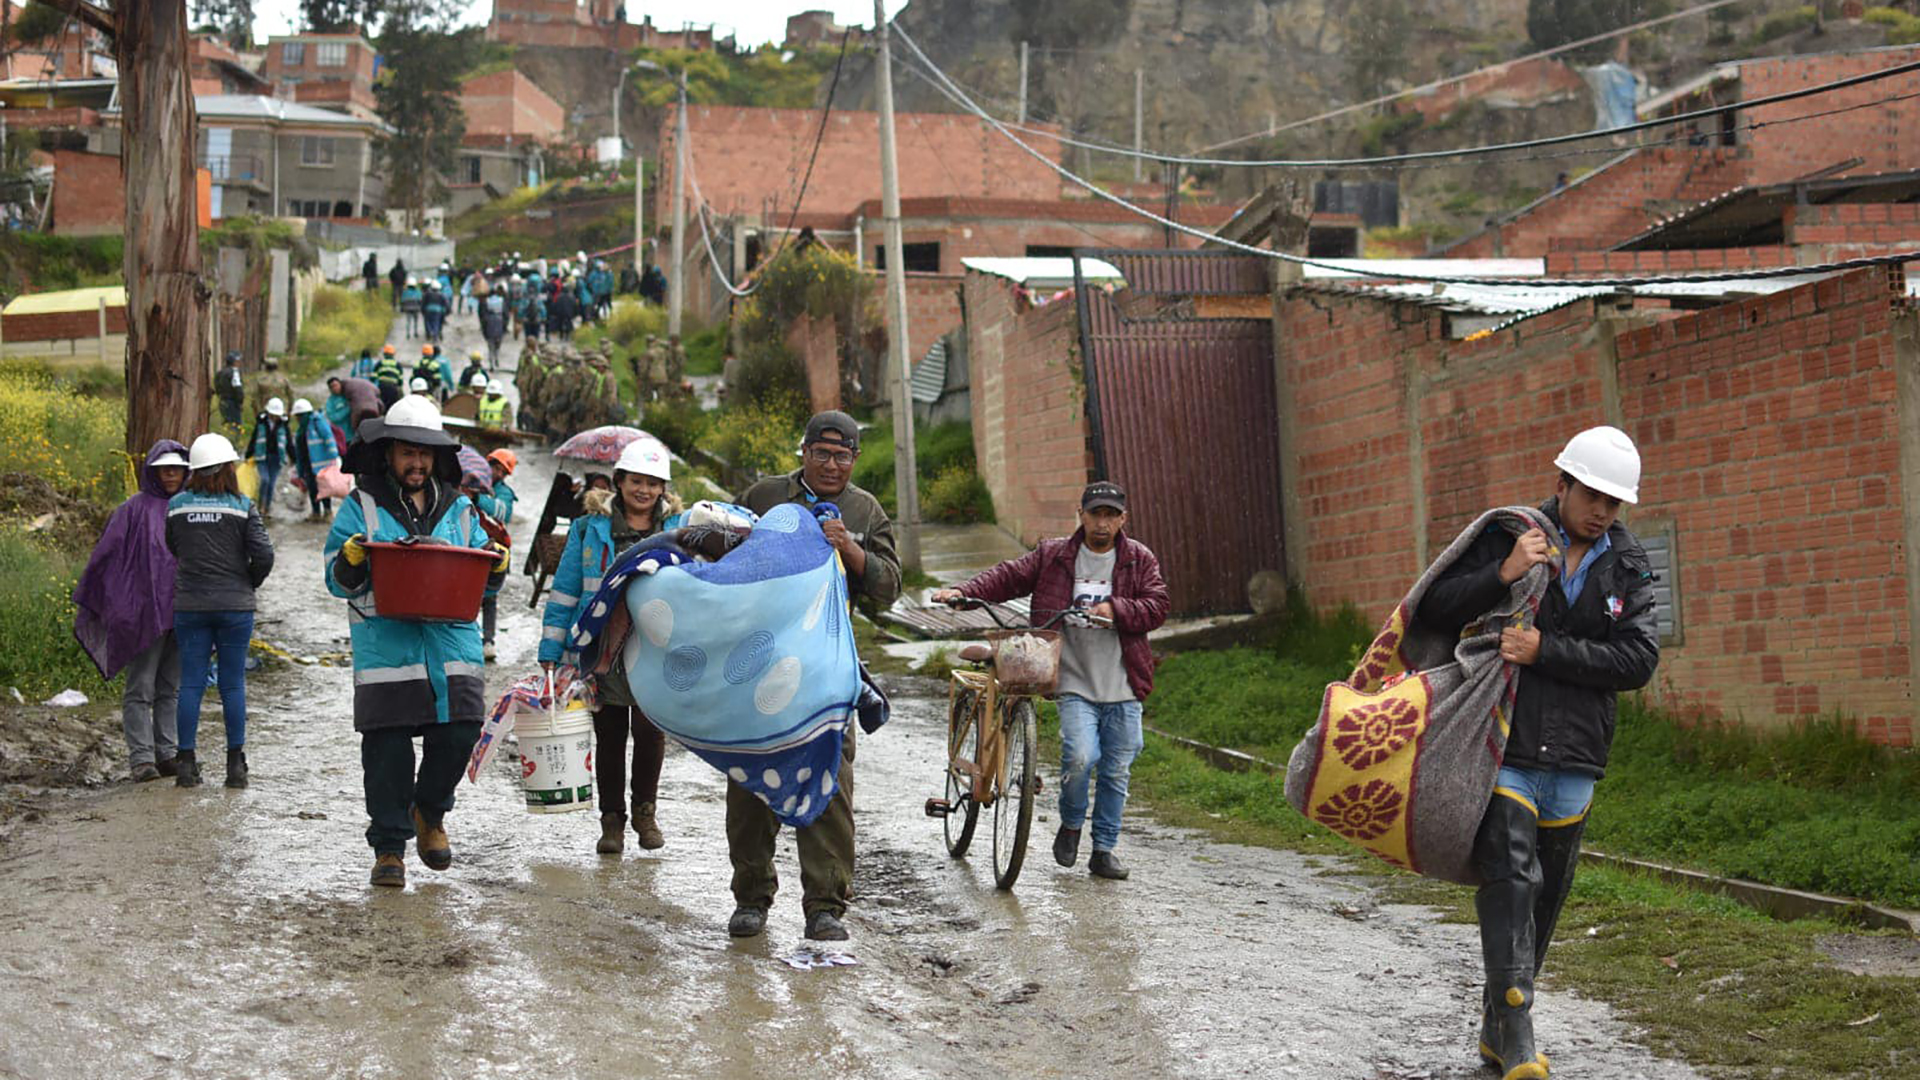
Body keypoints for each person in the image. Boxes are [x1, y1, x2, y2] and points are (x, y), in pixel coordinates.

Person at [1413, 426, 1659, 1080]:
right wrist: (1503, 572)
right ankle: (1519, 1031)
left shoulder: (1628, 565)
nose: (1602, 509)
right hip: (1505, 738)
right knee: (1512, 878)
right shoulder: (1513, 533)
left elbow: (1638, 660)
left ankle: (1498, 1024)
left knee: (1546, 895)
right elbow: (1433, 605)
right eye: (1592, 493)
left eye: (1614, 500)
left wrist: (1545, 650)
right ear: (1563, 484)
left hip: (1578, 754)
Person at [932, 481, 1169, 881]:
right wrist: (964, 591)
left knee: (1116, 769)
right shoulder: (1055, 555)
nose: (1102, 523)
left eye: (1111, 515)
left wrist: (1118, 609)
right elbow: (1008, 576)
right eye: (1096, 514)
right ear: (1082, 514)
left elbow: (1157, 605)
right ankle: (1072, 823)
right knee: (1080, 757)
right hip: (1072, 679)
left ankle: (1104, 850)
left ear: (1123, 520)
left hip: (1123, 683)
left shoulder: (1138, 560)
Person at [728, 411, 902, 941]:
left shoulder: (864, 509)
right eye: (821, 453)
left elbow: (890, 587)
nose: (831, 464)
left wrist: (848, 547)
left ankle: (825, 906)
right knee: (752, 782)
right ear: (802, 451)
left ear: (854, 459)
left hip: (826, 667)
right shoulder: (763, 496)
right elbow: (721, 554)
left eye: (842, 456)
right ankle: (751, 898)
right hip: (759, 663)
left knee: (828, 782)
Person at [326, 396, 509, 887]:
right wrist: (350, 561)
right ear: (389, 453)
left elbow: (481, 579)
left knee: (460, 731)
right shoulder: (359, 506)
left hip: (452, 647)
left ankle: (429, 812)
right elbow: (335, 580)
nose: (417, 462)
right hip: (387, 650)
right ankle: (389, 848)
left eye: (425, 454)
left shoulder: (463, 508)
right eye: (408, 452)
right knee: (387, 752)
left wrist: (497, 568)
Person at [540, 438, 681, 855]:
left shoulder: (676, 530)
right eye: (636, 481)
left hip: (656, 647)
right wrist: (552, 652)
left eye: (654, 484)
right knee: (611, 733)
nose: (645, 491)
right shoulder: (589, 529)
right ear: (618, 481)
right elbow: (565, 591)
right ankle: (611, 820)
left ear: (663, 489)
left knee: (651, 731)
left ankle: (645, 811)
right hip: (604, 647)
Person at [73, 440, 190, 782]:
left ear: (186, 471)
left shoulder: (189, 506)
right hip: (144, 613)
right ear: (152, 471)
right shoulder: (133, 510)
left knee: (170, 686)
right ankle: (141, 759)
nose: (170, 475)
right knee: (140, 687)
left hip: (183, 612)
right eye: (164, 469)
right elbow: (107, 557)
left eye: (177, 468)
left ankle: (167, 752)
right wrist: (115, 601)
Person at [166, 433, 274, 789]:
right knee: (232, 684)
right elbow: (264, 554)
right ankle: (235, 766)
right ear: (229, 467)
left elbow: (173, 546)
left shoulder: (177, 505)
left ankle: (186, 764)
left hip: (191, 605)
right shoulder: (243, 506)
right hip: (234, 606)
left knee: (192, 683)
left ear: (193, 470)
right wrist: (249, 582)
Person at [472, 448, 518, 663]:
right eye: (495, 468)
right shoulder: (469, 481)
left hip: (494, 550)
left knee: (489, 597)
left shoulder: (504, 493)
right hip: (471, 546)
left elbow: (502, 512)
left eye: (502, 471)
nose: (497, 474)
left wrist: (476, 496)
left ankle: (488, 640)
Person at [290, 398, 340, 520]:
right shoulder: (301, 429)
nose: (297, 419)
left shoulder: (317, 421)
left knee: (323, 488)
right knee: (312, 488)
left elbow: (328, 437)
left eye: (298, 416)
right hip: (307, 463)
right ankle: (316, 512)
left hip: (319, 463)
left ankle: (327, 512)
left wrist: (333, 456)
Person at [247, 397, 296, 519]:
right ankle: (260, 506)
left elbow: (289, 443)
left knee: (271, 483)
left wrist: (294, 458)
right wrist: (249, 453)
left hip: (276, 459)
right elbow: (254, 439)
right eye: (272, 414)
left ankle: (266, 508)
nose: (274, 417)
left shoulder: (284, 426)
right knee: (265, 480)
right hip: (262, 457)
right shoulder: (261, 423)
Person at [248, 356, 293, 421]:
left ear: (266, 366)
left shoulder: (261, 380)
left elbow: (254, 397)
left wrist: (257, 412)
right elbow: (290, 395)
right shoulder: (283, 379)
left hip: (265, 410)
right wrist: (288, 411)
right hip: (281, 410)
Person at [215, 351, 246, 427]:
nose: (239, 363)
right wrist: (240, 402)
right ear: (234, 362)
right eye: (238, 361)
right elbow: (238, 388)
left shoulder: (220, 372)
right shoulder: (234, 373)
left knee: (226, 424)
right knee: (235, 425)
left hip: (222, 401)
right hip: (232, 402)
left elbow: (217, 387)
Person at [373, 344, 406, 411]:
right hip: (393, 388)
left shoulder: (380, 363)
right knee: (393, 406)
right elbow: (400, 381)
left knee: (381, 405)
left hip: (382, 387)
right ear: (393, 354)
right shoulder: (397, 365)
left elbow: (373, 378)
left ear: (384, 354)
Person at [480, 289, 508, 365]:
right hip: (499, 322)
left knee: (490, 344)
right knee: (498, 343)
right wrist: (505, 327)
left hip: (489, 323)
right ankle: (496, 357)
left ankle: (491, 362)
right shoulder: (501, 300)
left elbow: (483, 316)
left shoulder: (486, 301)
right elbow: (506, 315)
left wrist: (483, 329)